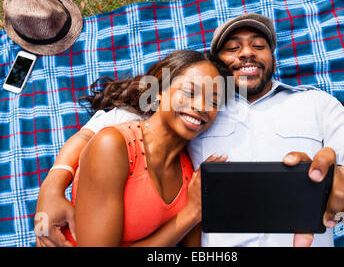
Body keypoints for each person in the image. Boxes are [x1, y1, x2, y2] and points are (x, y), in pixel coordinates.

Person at [36, 13, 344, 247]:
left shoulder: (314, 103)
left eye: (259, 46)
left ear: (272, 59)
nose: (246, 53)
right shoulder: (192, 106)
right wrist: (53, 185)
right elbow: (94, 133)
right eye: (232, 47)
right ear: (217, 64)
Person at [36, 50, 228, 247]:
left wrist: (197, 210)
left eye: (214, 101)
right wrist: (191, 214)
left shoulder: (192, 172)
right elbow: (84, 136)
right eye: (189, 92)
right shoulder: (113, 142)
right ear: (158, 91)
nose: (202, 106)